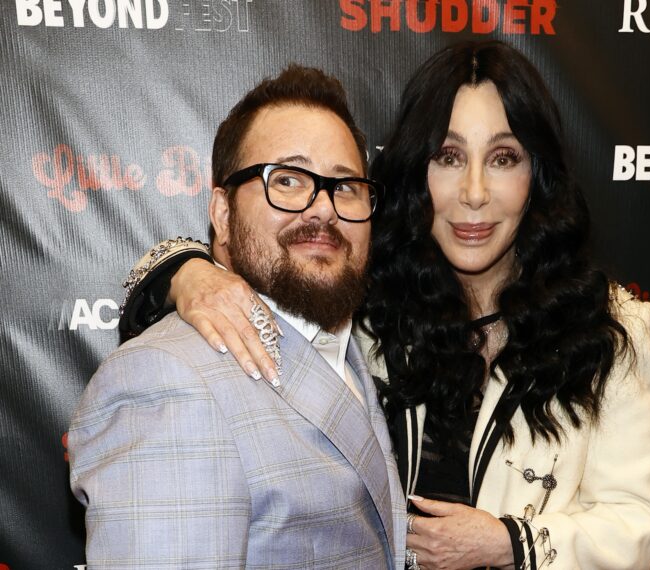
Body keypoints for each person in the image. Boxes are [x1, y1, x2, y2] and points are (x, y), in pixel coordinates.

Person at [119, 40, 650, 570]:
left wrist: (505, 542)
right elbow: (258, 259)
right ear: (416, 170)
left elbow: (643, 523)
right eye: (449, 156)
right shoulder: (363, 305)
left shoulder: (602, 326)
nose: (474, 191)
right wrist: (186, 271)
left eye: (503, 158)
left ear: (537, 177)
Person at [68, 65, 407, 569]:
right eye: (287, 180)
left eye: (345, 187)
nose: (324, 210)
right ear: (222, 214)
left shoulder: (355, 339)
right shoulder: (166, 380)